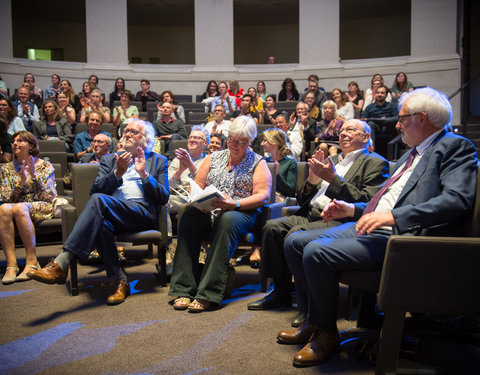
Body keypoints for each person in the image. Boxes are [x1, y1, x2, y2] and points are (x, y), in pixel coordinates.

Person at [279, 87, 478, 367]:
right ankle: (315, 321)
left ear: (421, 118)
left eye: (402, 118)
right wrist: (353, 209)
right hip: (373, 225)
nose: (397, 125)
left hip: (405, 238)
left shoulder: (453, 146)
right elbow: (382, 201)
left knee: (316, 252)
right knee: (295, 242)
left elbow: (457, 200)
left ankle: (326, 333)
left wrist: (396, 218)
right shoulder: (411, 155)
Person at [247, 120, 388, 315]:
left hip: (339, 220)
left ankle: (310, 306)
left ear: (365, 137)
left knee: (295, 234)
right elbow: (302, 199)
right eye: (342, 130)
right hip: (311, 213)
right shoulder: (335, 160)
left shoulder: (375, 162)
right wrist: (311, 182)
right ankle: (281, 292)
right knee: (272, 227)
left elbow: (369, 201)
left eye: (351, 130)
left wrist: (332, 179)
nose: (344, 133)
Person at [28, 120, 170, 305]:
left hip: (141, 214)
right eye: (125, 130)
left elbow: (163, 197)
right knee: (101, 223)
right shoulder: (110, 160)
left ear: (146, 139)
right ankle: (120, 280)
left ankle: (62, 261)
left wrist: (144, 174)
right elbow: (96, 190)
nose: (126, 134)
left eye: (133, 132)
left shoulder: (158, 160)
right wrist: (117, 173)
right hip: (112, 212)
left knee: (99, 202)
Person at [168, 116, 272, 312]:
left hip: (243, 212)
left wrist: (235, 204)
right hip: (211, 208)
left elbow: (263, 195)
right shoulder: (213, 157)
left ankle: (209, 292)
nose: (234, 144)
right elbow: (198, 183)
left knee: (228, 219)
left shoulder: (258, 162)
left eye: (240, 141)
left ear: (250, 141)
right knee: (189, 214)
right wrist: (197, 197)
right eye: (231, 139)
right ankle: (183, 288)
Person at [0, 131, 57, 284]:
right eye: (13, 141)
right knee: (4, 208)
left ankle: (32, 261)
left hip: (41, 205)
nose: (15, 144)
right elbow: (5, 199)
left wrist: (35, 177)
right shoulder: (6, 168)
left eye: (20, 141)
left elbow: (49, 197)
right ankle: (11, 264)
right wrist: (20, 182)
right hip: (16, 206)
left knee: (19, 208)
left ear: (31, 145)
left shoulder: (45, 165)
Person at [249, 128, 299, 267]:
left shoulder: (290, 163)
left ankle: (256, 247)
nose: (262, 143)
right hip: (262, 195)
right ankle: (255, 247)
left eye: (265, 140)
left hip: (281, 199)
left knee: (264, 206)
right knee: (255, 203)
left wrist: (277, 176)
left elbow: (290, 190)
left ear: (275, 143)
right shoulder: (262, 161)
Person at [166, 125, 209, 240]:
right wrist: (180, 170)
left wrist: (190, 165)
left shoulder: (208, 160)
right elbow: (168, 185)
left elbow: (205, 185)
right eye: (191, 137)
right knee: (163, 199)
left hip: (197, 199)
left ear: (205, 144)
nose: (192, 139)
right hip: (178, 197)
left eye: (197, 138)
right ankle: (167, 241)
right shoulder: (177, 159)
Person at [361, 85, 399, 157]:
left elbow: (396, 118)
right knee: (370, 124)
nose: (379, 94)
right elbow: (363, 119)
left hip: (388, 129)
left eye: (382, 93)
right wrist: (380, 120)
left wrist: (384, 120)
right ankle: (370, 150)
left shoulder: (391, 106)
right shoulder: (370, 107)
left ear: (386, 95)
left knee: (381, 123)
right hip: (374, 129)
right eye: (378, 92)